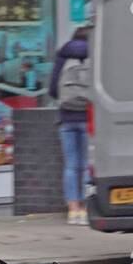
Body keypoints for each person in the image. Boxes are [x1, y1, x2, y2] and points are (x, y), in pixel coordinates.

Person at [49, 26, 91, 225]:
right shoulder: (94, 54)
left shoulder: (63, 55)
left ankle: (73, 210)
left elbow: (52, 88)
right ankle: (85, 208)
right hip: (87, 117)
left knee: (71, 165)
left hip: (66, 118)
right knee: (86, 165)